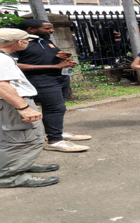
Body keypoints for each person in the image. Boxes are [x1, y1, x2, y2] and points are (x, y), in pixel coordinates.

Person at [0, 28, 60, 188]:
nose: (28, 42)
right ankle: (9, 177)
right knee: (21, 141)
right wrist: (23, 107)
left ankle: (22, 164)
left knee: (16, 138)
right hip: (8, 105)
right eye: (26, 39)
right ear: (17, 42)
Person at [15, 19, 91, 153]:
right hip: (41, 80)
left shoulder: (44, 40)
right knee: (55, 108)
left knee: (58, 108)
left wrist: (60, 56)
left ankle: (56, 132)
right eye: (48, 28)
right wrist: (54, 66)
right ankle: (54, 141)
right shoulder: (19, 43)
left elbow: (43, 55)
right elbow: (15, 65)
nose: (52, 30)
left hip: (59, 78)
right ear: (31, 29)